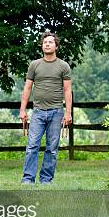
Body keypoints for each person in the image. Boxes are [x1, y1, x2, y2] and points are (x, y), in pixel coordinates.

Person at [19, 31, 72, 184]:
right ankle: (28, 179)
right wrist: (23, 110)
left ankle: (46, 180)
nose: (47, 44)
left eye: (50, 42)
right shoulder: (34, 65)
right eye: (45, 42)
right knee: (32, 146)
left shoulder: (63, 66)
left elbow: (68, 90)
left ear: (56, 46)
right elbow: (27, 88)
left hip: (56, 112)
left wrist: (68, 113)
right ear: (42, 46)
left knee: (52, 148)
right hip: (38, 112)